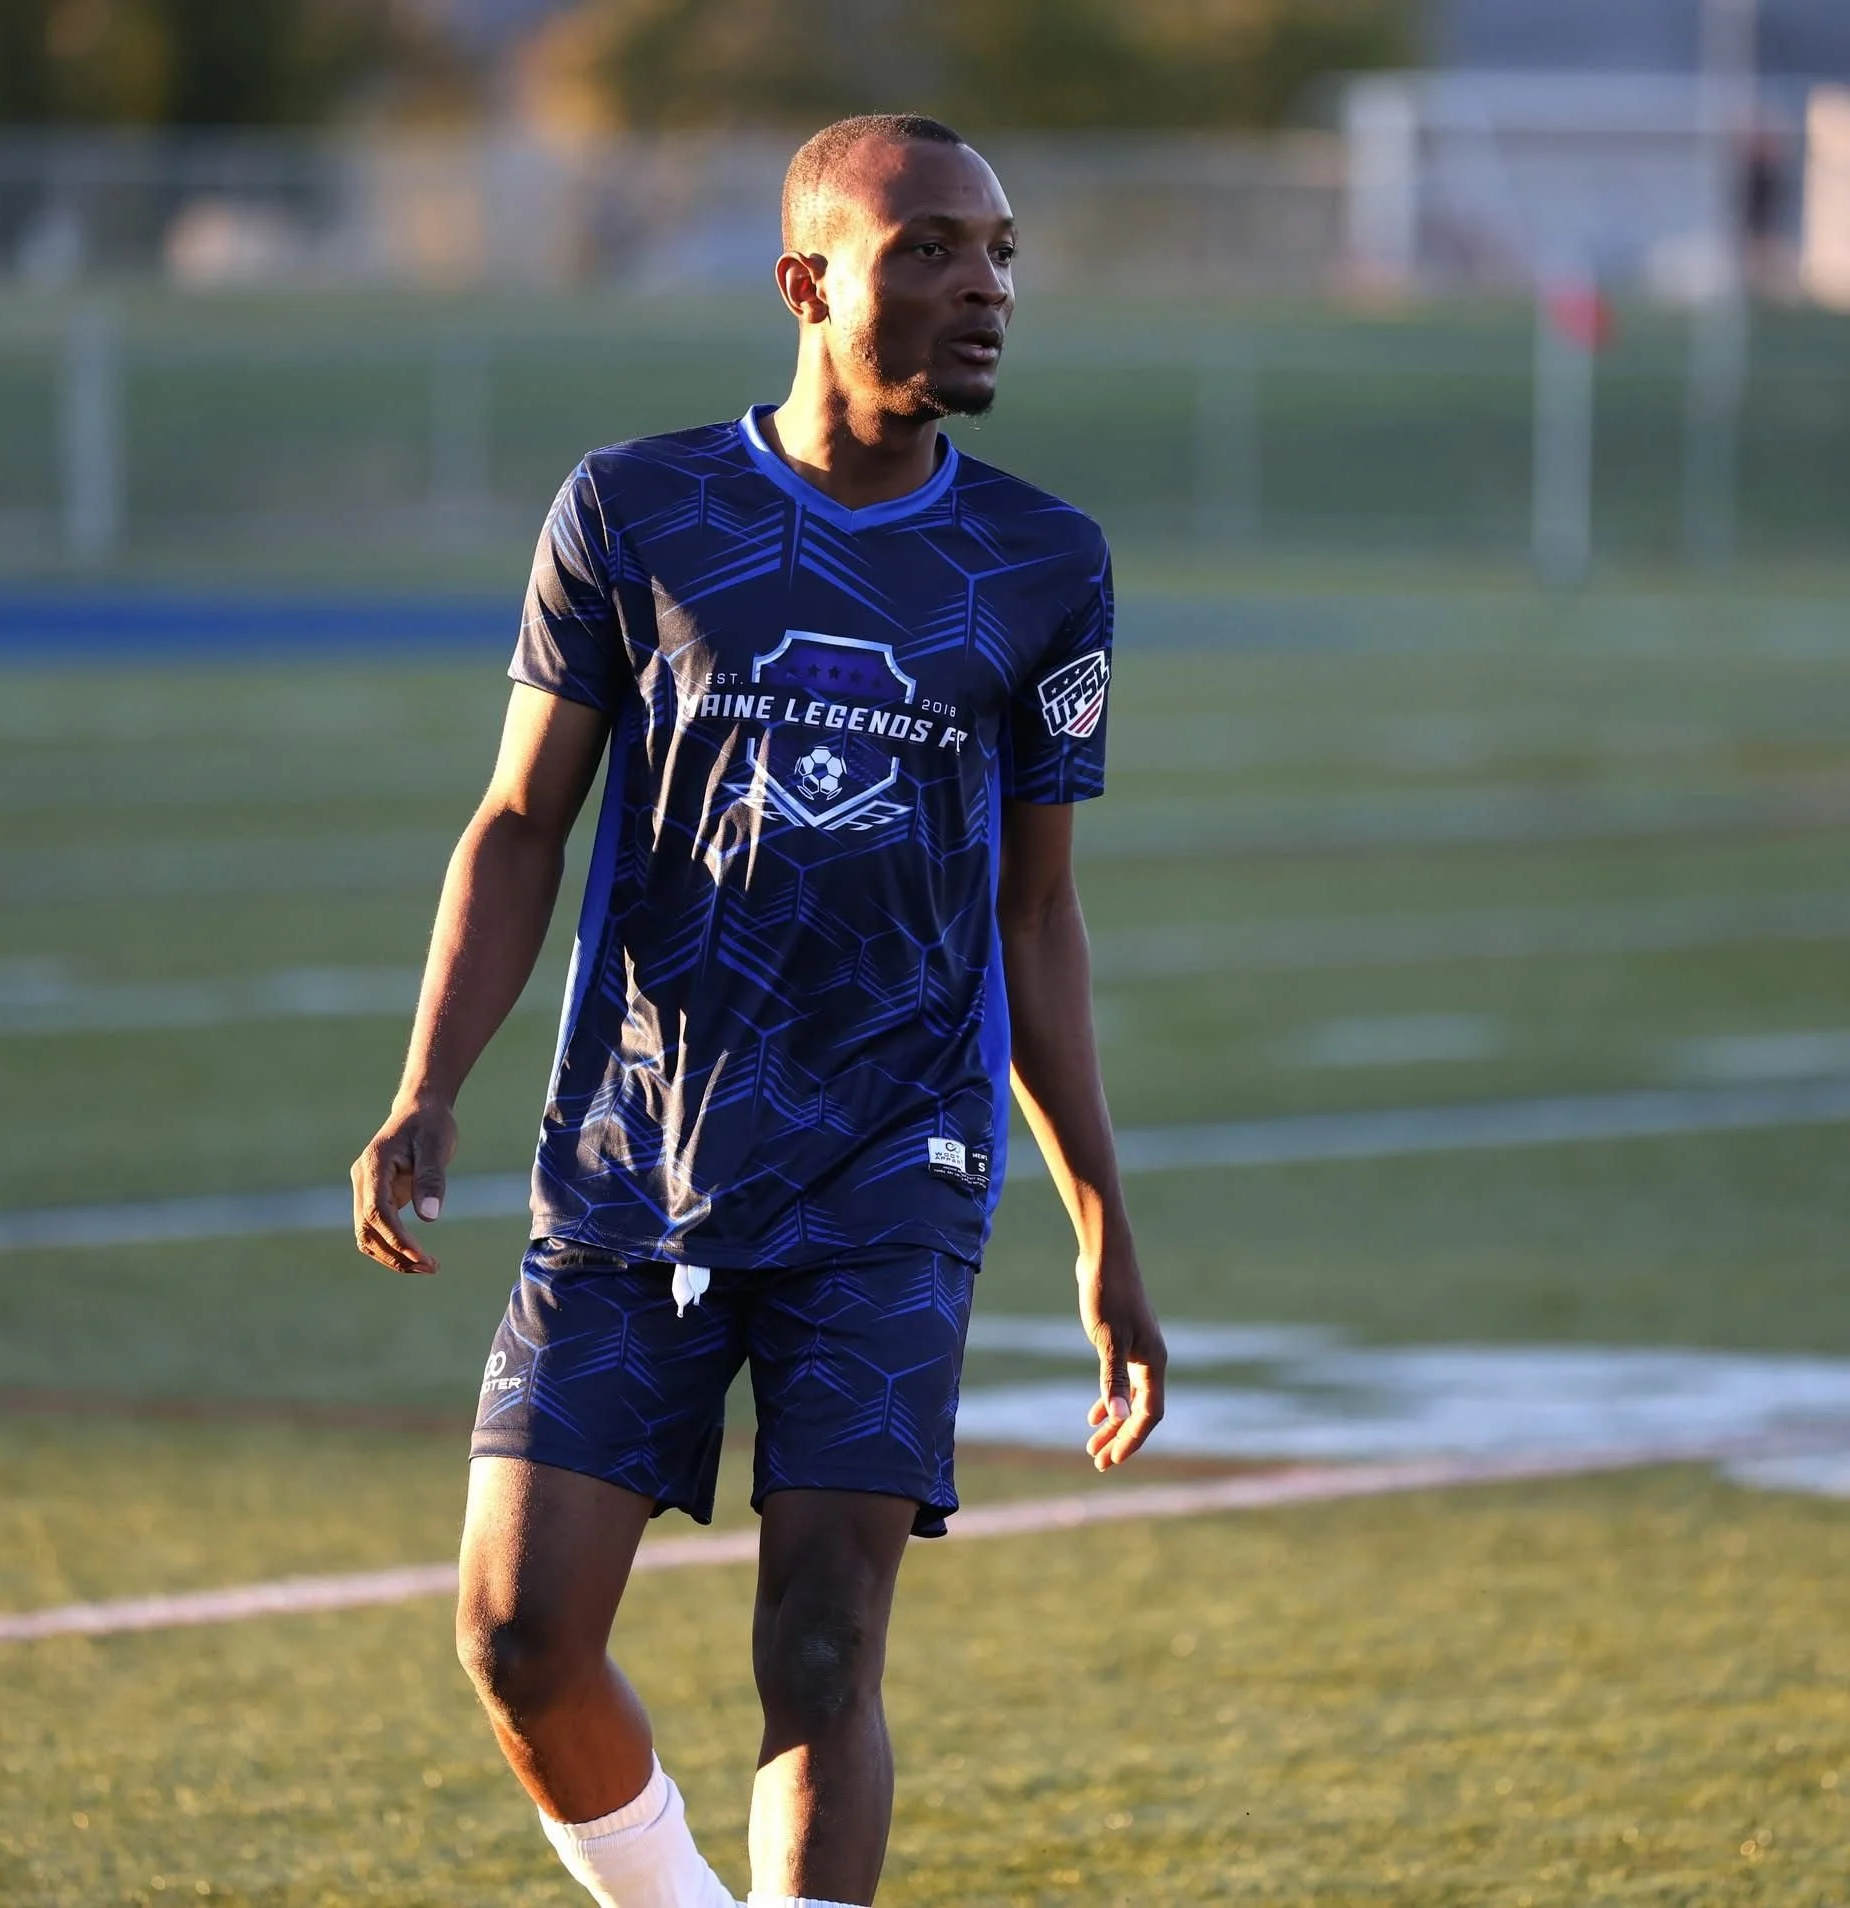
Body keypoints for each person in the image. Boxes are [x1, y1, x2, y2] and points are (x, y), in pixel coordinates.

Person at [350, 111, 1167, 1908]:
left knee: (819, 1652)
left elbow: (1039, 915)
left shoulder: (1044, 566)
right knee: (515, 1632)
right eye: (934, 248)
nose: (987, 287)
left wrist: (1103, 1224)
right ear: (807, 280)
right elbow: (516, 825)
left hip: (896, 1166)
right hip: (635, 1148)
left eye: (1004, 252)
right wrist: (429, 1085)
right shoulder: (639, 510)